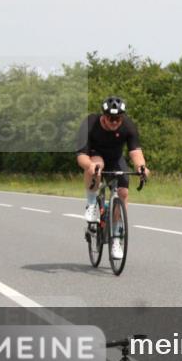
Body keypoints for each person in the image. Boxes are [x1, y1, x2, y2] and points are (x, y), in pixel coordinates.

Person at [76, 97, 150, 259]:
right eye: (111, 118)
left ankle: (116, 238)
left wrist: (141, 167)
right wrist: (90, 167)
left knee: (123, 193)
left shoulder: (128, 126)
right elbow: (81, 156)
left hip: (116, 159)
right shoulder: (91, 123)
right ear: (104, 116)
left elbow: (135, 152)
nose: (115, 122)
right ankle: (91, 204)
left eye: (118, 118)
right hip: (94, 156)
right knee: (97, 165)